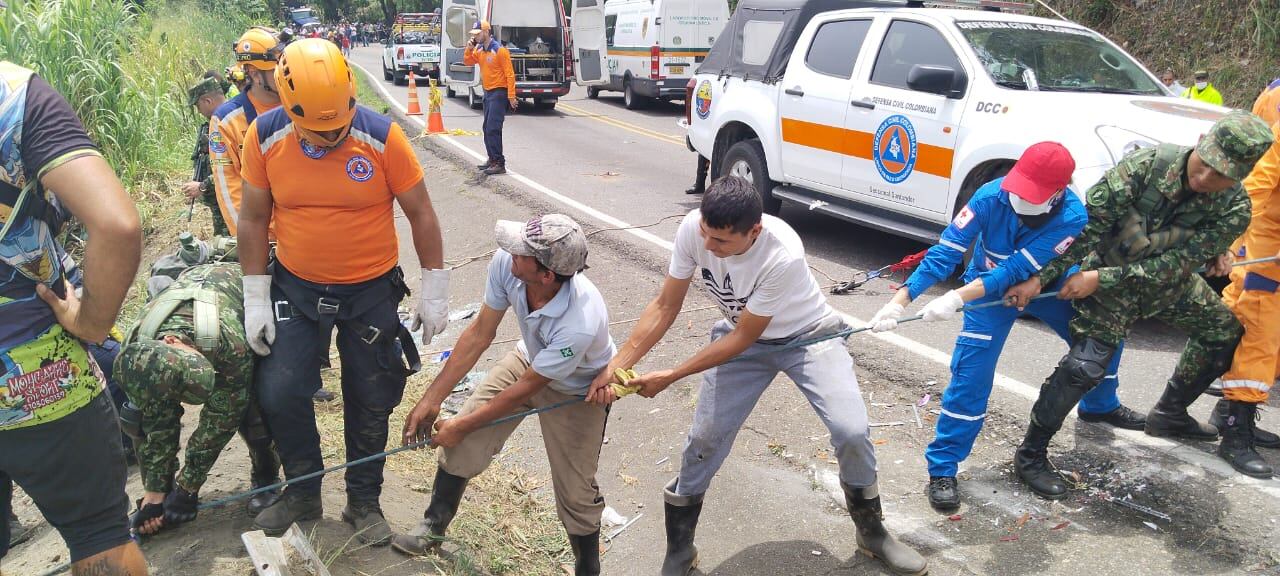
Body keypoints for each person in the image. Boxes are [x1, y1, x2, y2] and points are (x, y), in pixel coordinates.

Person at [588, 177, 927, 576]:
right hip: (740, 339)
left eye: (722, 242)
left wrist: (673, 375)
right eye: (705, 235)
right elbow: (666, 305)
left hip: (807, 337)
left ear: (755, 231)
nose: (709, 248)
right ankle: (680, 549)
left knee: (850, 430)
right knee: (704, 438)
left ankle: (872, 533)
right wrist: (615, 366)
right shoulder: (694, 230)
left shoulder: (781, 254)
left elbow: (746, 335)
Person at [237, 39, 449, 545]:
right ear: (287, 108)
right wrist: (254, 294)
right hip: (296, 284)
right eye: (318, 128)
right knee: (280, 389)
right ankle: (304, 491)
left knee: (372, 394)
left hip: (370, 289)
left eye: (339, 124)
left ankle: (363, 501)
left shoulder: (381, 138)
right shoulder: (263, 137)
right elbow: (251, 217)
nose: (332, 135)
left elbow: (421, 212)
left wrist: (435, 285)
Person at [1005, 111, 1272, 500]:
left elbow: (1174, 267)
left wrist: (1217, 254)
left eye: (1221, 176)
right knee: (1085, 367)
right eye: (1205, 165)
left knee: (1223, 331)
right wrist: (1041, 278)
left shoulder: (1235, 209)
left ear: (1241, 176)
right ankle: (1031, 454)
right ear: (1200, 141)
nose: (1204, 179)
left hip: (1165, 284)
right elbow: (1085, 231)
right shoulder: (1143, 169)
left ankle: (1170, 414)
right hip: (1109, 285)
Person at [868, 142, 1146, 512]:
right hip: (985, 290)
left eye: (1032, 196)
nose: (1019, 200)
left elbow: (1015, 271)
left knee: (1103, 336)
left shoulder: (1072, 216)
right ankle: (943, 468)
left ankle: (1101, 405)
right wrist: (899, 301)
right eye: (1018, 190)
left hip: (1049, 287)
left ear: (1059, 192)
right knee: (971, 375)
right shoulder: (990, 195)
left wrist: (956, 298)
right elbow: (946, 252)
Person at [393, 215, 612, 576]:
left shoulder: (581, 319)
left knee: (575, 493)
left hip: (577, 389)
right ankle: (433, 527)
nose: (511, 250)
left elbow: (527, 389)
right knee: (462, 444)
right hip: (530, 359)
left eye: (523, 251)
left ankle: (587, 567)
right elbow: (480, 333)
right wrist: (432, 398)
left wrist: (461, 424)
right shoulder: (507, 265)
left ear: (546, 274)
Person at [0, 61, 145, 573]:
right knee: (98, 537)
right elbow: (118, 224)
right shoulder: (15, 98)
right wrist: (91, 322)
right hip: (38, 376)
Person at [116, 263, 282, 535]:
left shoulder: (229, 343)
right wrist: (156, 493)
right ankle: (160, 491)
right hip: (191, 311)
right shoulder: (136, 355)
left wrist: (189, 486)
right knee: (139, 418)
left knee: (252, 411)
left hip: (235, 294)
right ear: (168, 341)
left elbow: (221, 418)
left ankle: (266, 474)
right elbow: (158, 423)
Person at [1212, 119, 1280, 477]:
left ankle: (1223, 412)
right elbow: (1256, 184)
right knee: (1258, 336)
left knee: (1263, 340)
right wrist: (1226, 237)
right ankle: (1236, 434)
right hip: (1267, 250)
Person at [210, 27, 283, 237]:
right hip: (267, 239)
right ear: (254, 74)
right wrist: (255, 244)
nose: (286, 73)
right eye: (276, 69)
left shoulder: (298, 105)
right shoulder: (226, 121)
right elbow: (229, 190)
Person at [465, 20, 517, 176]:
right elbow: (467, 62)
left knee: (493, 128)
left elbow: (510, 74)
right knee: (486, 128)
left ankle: (499, 163)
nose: (475, 37)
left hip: (499, 93)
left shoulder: (500, 51)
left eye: (477, 34)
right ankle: (492, 158)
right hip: (487, 92)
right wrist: (469, 48)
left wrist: (511, 96)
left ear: (486, 32)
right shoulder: (479, 50)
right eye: (473, 34)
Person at [184, 75, 230, 236]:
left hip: (232, 202)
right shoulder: (216, 123)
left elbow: (229, 168)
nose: (199, 111)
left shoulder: (225, 123)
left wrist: (202, 186)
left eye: (198, 106)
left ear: (207, 101)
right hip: (221, 201)